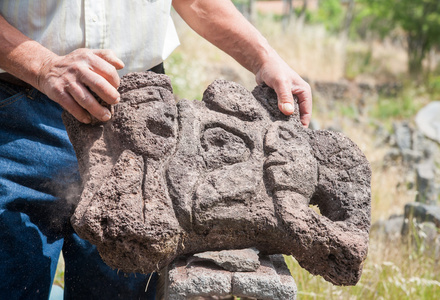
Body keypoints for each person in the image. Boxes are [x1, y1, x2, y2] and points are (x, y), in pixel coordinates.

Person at [0, 0, 312, 299]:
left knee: (120, 288)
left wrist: (264, 58)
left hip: (139, 120)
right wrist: (43, 66)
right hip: (20, 114)